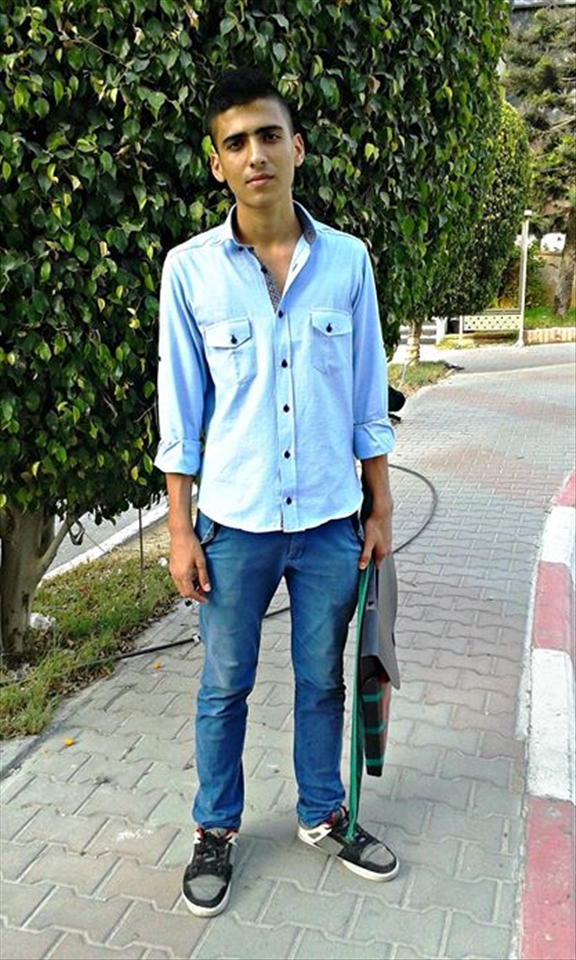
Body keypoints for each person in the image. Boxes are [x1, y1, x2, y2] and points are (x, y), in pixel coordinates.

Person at [154, 66, 398, 918]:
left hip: (331, 519)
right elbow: (181, 409)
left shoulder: (348, 262)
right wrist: (179, 529)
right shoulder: (189, 271)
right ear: (217, 163)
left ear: (296, 147)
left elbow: (367, 395)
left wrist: (380, 506)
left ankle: (322, 812)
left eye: (267, 135)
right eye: (236, 142)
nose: (254, 154)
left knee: (322, 679)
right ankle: (214, 827)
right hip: (236, 523)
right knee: (224, 684)